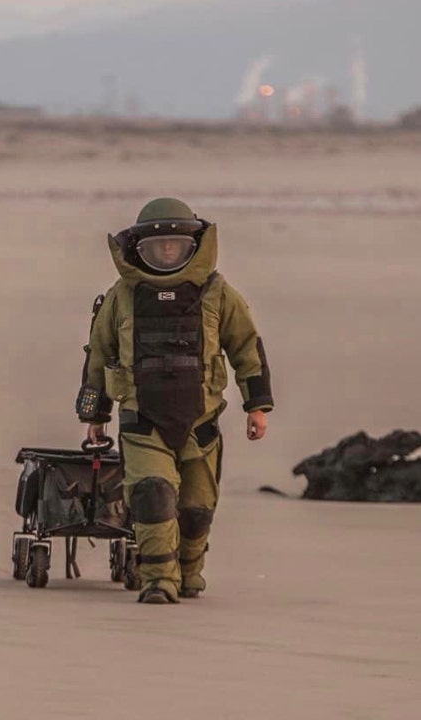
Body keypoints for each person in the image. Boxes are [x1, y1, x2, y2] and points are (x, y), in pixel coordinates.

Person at [76, 197, 274, 604]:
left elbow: (247, 349)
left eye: (176, 246)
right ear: (139, 249)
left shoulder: (219, 293)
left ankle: (188, 573)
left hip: (200, 421)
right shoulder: (121, 296)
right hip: (141, 418)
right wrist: (95, 415)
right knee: (152, 494)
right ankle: (157, 581)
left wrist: (257, 406)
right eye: (157, 248)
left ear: (193, 246)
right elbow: (98, 354)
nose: (167, 254)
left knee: (197, 509)